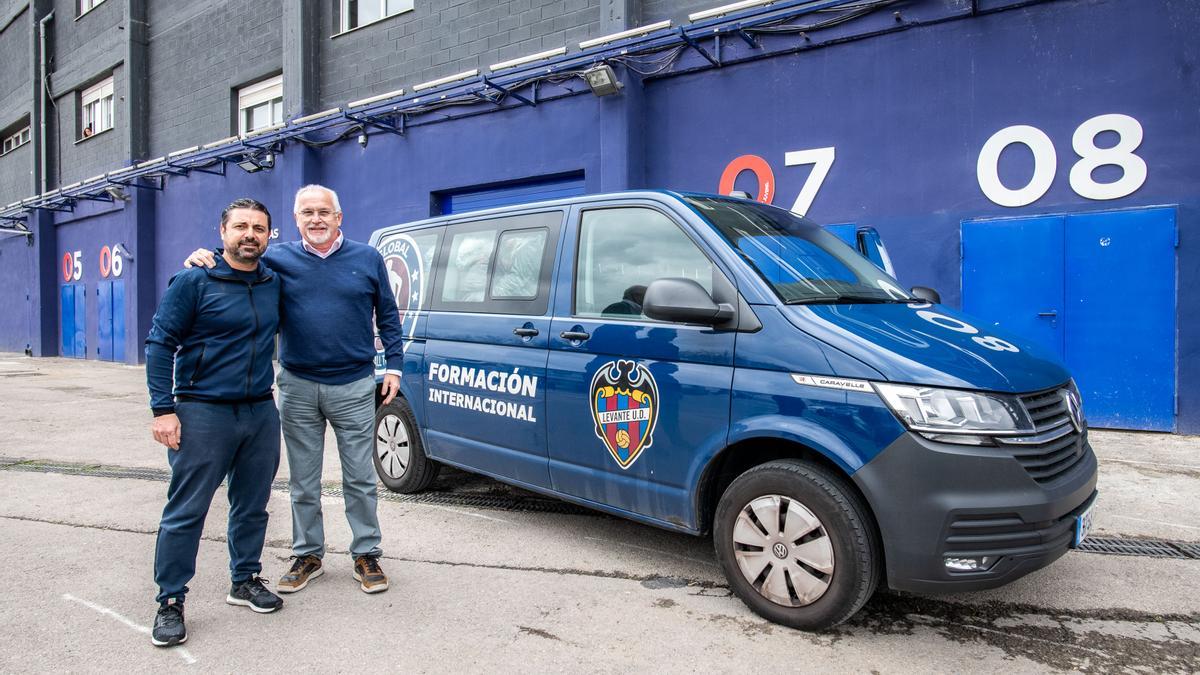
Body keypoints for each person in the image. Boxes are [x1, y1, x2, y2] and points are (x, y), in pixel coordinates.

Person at [187, 184, 404, 596]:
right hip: (298, 385)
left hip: (354, 384)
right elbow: (237, 262)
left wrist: (394, 365)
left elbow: (388, 315)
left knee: (359, 476)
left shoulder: (367, 258)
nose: (316, 219)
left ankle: (366, 552)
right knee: (304, 481)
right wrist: (204, 258)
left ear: (339, 217)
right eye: (307, 213)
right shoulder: (277, 258)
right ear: (295, 220)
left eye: (323, 212)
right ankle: (308, 554)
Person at [146, 198, 283, 647]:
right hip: (202, 411)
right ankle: (170, 601)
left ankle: (244, 580)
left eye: (258, 228)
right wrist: (163, 409)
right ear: (222, 232)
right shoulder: (193, 280)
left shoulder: (273, 282)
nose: (250, 234)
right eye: (241, 226)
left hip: (260, 412)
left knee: (253, 504)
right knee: (186, 511)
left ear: (268, 236)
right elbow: (160, 343)